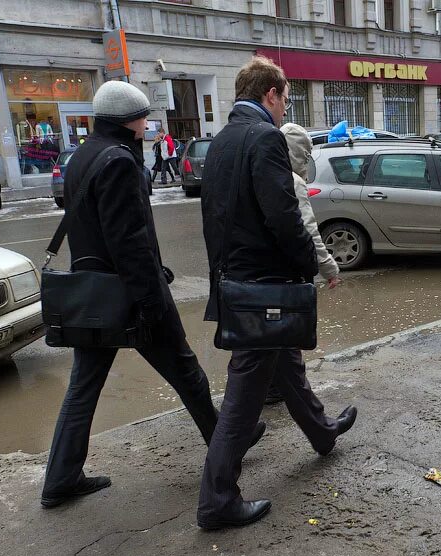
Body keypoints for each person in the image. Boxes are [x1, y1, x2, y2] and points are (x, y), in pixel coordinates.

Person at [40, 81, 264, 509]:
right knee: (188, 373)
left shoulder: (83, 155)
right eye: (144, 117)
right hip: (129, 294)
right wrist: (152, 301)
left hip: (93, 296)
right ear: (130, 120)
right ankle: (227, 445)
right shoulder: (121, 162)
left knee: (82, 388)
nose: (147, 124)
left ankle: (60, 477)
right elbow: (129, 241)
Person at [198, 56, 357, 530]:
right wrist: (307, 265)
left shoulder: (223, 139)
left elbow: (214, 218)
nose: (285, 107)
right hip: (265, 287)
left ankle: (323, 433)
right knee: (243, 400)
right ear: (270, 93)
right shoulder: (265, 137)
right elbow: (283, 216)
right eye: (286, 98)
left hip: (241, 283)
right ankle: (217, 501)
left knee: (286, 363)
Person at [262, 122, 340, 406]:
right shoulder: (292, 182)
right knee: (288, 336)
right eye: (306, 154)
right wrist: (329, 267)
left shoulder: (263, 173)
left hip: (260, 273)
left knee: (266, 338)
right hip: (286, 273)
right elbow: (308, 230)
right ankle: (296, 402)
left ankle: (277, 389)